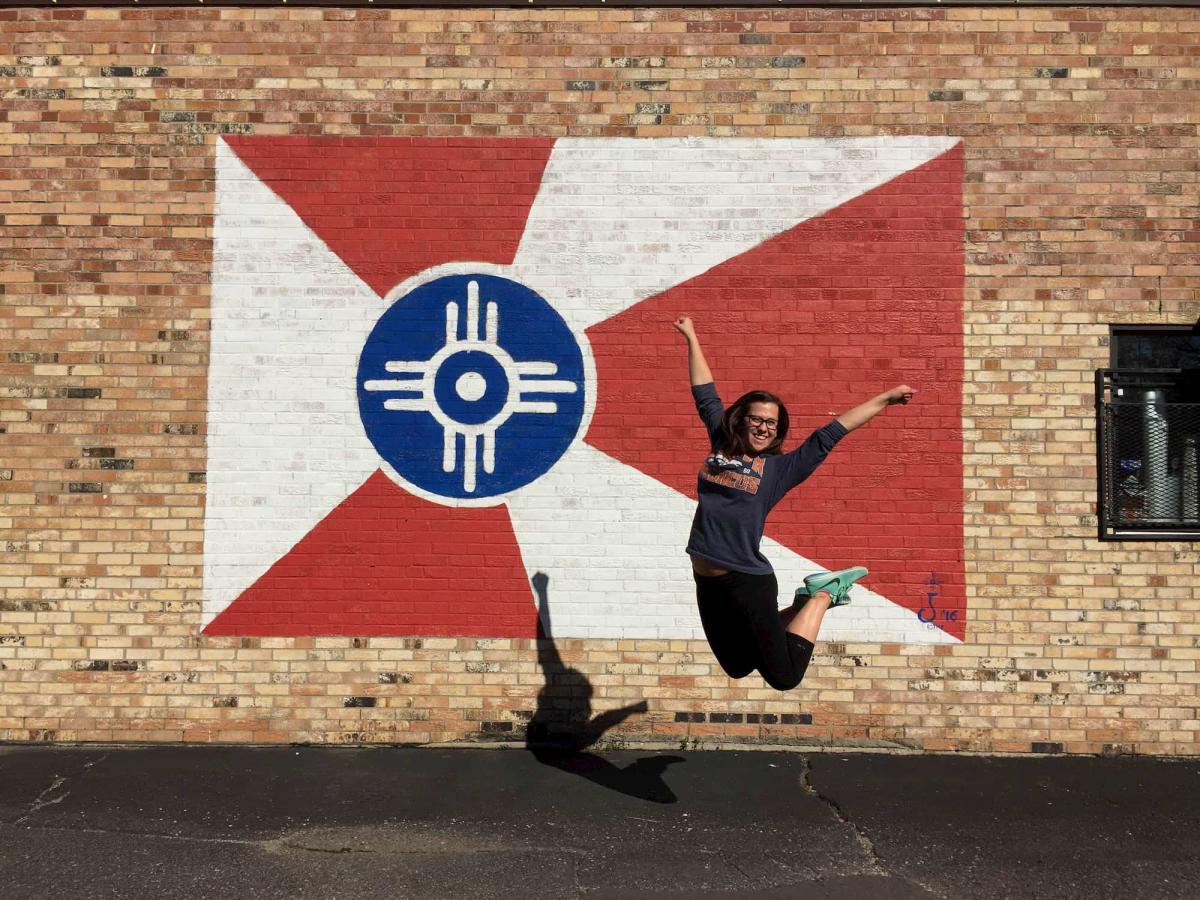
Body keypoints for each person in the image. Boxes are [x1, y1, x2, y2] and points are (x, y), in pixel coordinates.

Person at [674, 315, 913, 691]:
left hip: (746, 582)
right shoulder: (721, 441)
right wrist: (691, 335)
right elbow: (704, 390)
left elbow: (830, 434)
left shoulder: (779, 469)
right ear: (741, 420)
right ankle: (802, 604)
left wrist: (884, 399)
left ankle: (821, 595)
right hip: (707, 581)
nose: (764, 427)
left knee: (784, 677)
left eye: (772, 423)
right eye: (757, 419)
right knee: (738, 664)